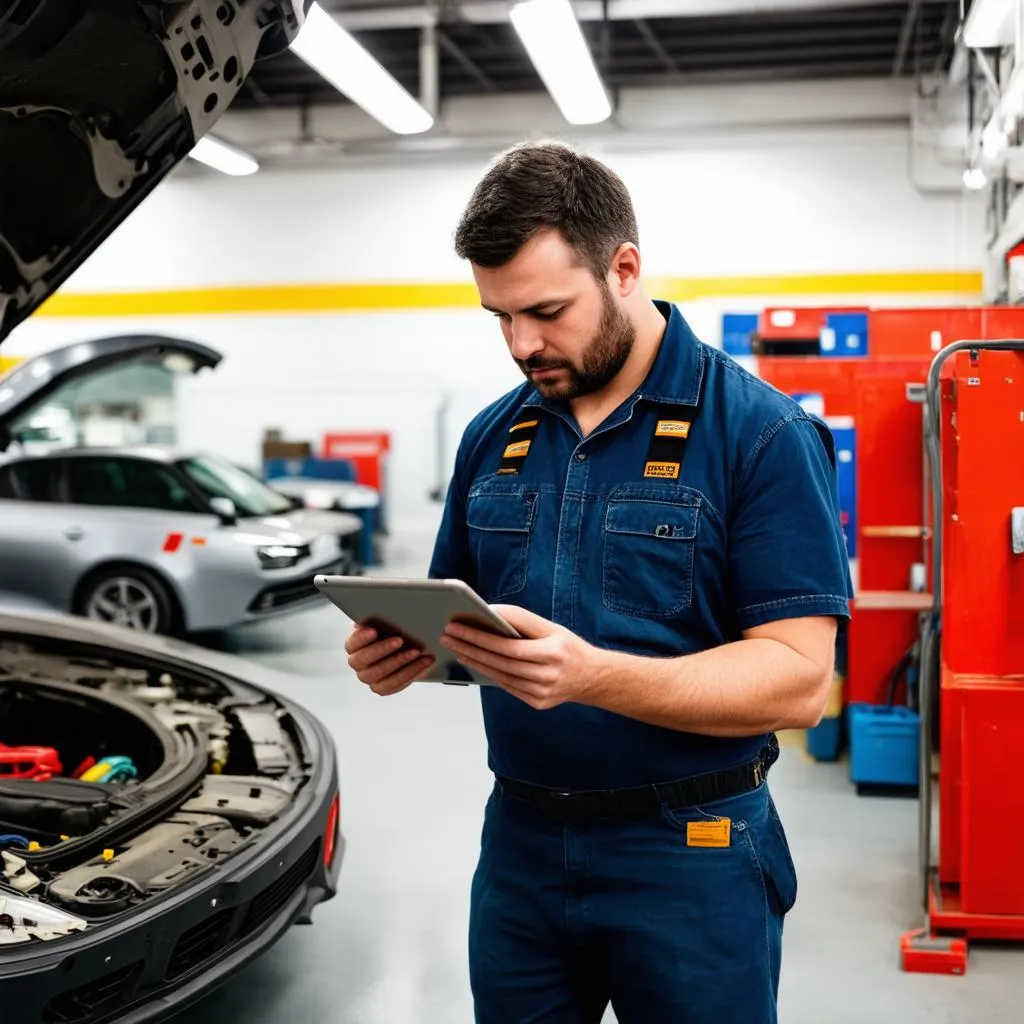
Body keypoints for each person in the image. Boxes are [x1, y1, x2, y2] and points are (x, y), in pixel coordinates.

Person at [345, 141, 853, 1024]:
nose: (521, 344)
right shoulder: (491, 438)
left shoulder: (761, 435)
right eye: (497, 317)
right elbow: (470, 633)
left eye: (545, 310)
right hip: (522, 849)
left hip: (691, 852)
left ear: (624, 269)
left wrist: (593, 677)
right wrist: (416, 654)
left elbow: (801, 679)